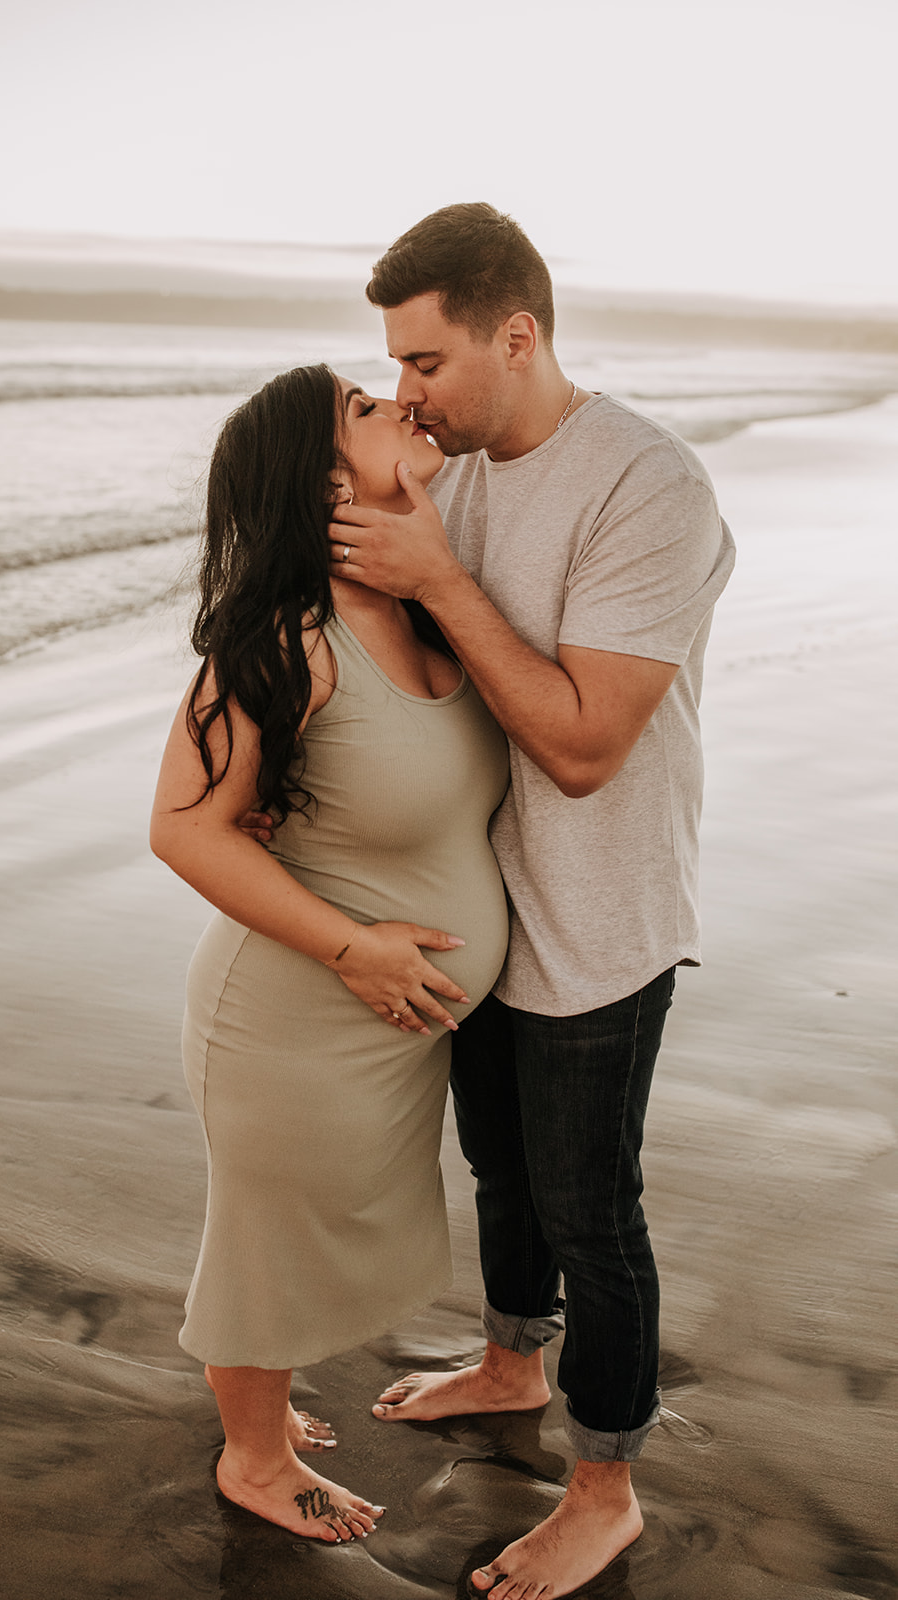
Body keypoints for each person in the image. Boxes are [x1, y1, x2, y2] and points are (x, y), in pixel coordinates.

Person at [328, 203, 736, 1599]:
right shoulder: (445, 469)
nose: (404, 396)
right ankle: (509, 1360)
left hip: (598, 909)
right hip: (476, 904)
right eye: (390, 366)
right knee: (496, 1170)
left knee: (587, 1209)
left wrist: (432, 568)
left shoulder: (646, 487)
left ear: (516, 335)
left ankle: (603, 1485)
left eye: (426, 362)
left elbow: (575, 745)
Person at [150, 363, 510, 1545]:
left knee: (318, 1224)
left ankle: (262, 1410)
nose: (402, 403)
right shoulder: (282, 642)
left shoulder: (416, 609)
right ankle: (252, 1458)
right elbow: (183, 826)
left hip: (385, 1028)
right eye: (367, 405)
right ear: (321, 481)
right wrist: (354, 946)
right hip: (293, 1014)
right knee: (268, 1236)